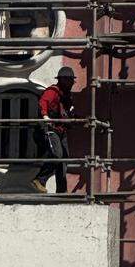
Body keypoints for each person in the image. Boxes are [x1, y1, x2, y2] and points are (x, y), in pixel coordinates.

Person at [35, 66, 76, 194]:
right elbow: (43, 102)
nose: (70, 83)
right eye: (68, 80)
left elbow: (67, 113)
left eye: (71, 81)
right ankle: (39, 180)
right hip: (50, 128)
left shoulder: (67, 96)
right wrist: (45, 116)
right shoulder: (53, 91)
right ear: (62, 80)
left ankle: (62, 191)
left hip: (61, 130)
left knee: (64, 159)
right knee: (57, 155)